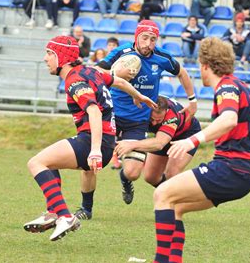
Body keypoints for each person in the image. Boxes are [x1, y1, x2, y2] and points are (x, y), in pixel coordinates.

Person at [23, 35, 156, 241]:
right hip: (102, 141)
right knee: (48, 163)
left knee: (36, 163)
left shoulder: (74, 80)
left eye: (49, 53)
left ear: (62, 57)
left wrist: (94, 150)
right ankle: (53, 212)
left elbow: (93, 110)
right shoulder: (90, 71)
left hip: (94, 142)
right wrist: (137, 95)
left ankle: (65, 216)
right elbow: (118, 80)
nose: (45, 58)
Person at [151, 37, 250, 263]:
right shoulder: (243, 88)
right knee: (176, 206)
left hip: (230, 167)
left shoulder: (226, 86)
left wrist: (192, 140)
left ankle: (160, 262)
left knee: (162, 193)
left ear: (205, 65)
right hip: (245, 171)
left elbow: (230, 119)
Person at [73, 20, 197, 220]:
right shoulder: (122, 53)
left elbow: (182, 72)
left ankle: (124, 178)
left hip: (138, 120)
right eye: (145, 38)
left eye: (153, 39)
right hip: (110, 116)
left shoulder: (161, 57)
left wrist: (192, 100)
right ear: (136, 37)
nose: (148, 43)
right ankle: (86, 209)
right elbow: (96, 71)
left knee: (132, 173)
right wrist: (115, 74)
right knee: (91, 161)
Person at [115, 96, 201, 188]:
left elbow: (159, 143)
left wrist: (131, 145)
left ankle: (176, 198)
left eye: (159, 120)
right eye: (152, 119)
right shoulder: (144, 108)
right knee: (150, 177)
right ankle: (168, 193)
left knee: (171, 174)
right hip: (163, 136)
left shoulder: (172, 116)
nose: (155, 123)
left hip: (186, 135)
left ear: (166, 112)